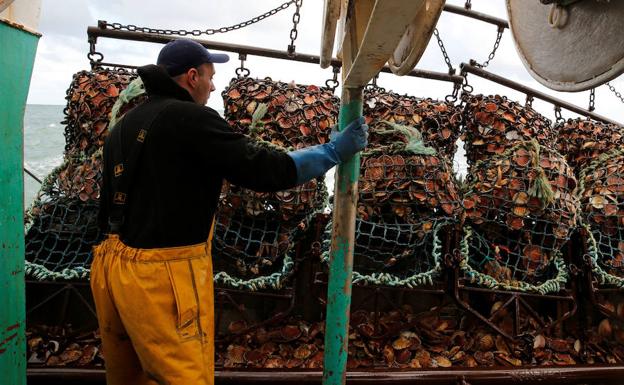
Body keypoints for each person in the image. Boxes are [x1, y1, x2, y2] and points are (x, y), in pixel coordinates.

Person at [91, 38, 367, 385]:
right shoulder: (191, 119)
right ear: (192, 76)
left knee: (129, 378)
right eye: (209, 75)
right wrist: (330, 152)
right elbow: (264, 168)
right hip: (162, 277)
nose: (213, 84)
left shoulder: (124, 125)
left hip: (110, 268)